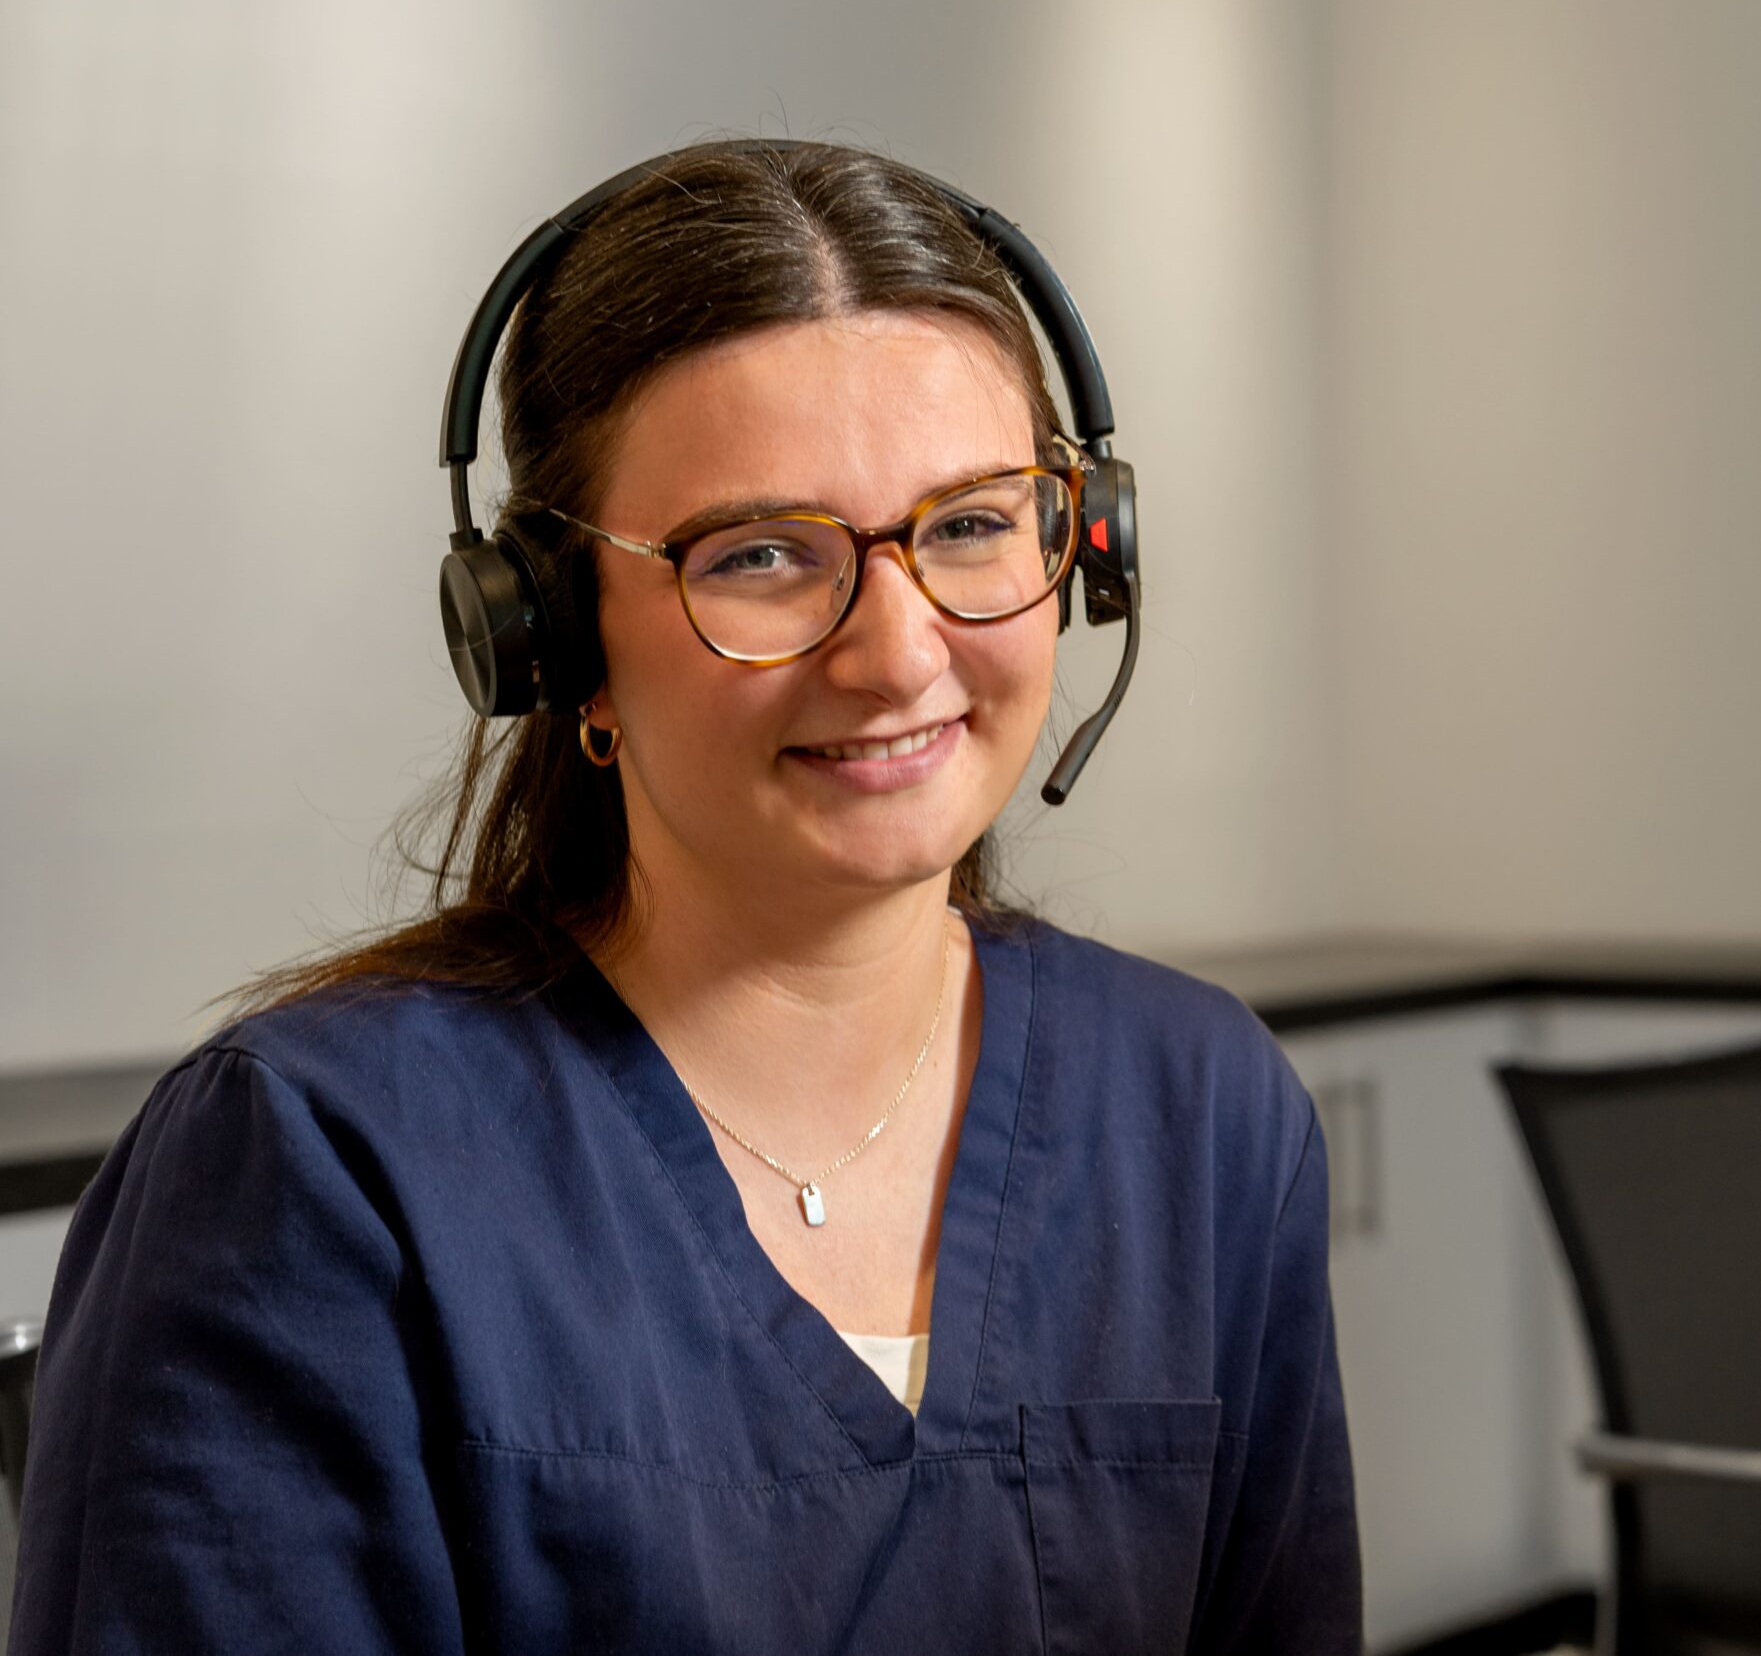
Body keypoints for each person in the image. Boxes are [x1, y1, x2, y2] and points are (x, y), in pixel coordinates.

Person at [11, 141, 1360, 1653]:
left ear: (1079, 547)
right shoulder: (318, 1172)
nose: (900, 652)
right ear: (557, 640)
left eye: (974, 522)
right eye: (765, 556)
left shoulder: (1200, 1111)